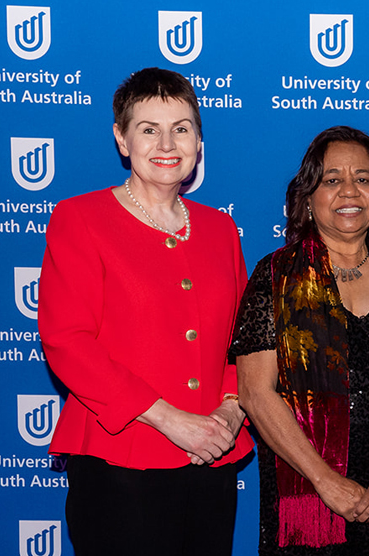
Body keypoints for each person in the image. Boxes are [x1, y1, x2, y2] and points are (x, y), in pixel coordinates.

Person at [37, 67, 253, 556]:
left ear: (199, 139)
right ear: (121, 138)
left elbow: (245, 340)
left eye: (182, 128)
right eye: (148, 129)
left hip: (212, 458)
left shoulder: (220, 230)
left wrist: (231, 406)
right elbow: (67, 341)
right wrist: (170, 421)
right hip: (119, 462)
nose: (167, 143)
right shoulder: (81, 219)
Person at [232, 126, 369, 556]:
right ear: (308, 196)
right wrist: (325, 481)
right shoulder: (274, 276)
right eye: (332, 179)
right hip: (308, 498)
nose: (350, 190)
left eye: (363, 179)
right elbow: (255, 393)